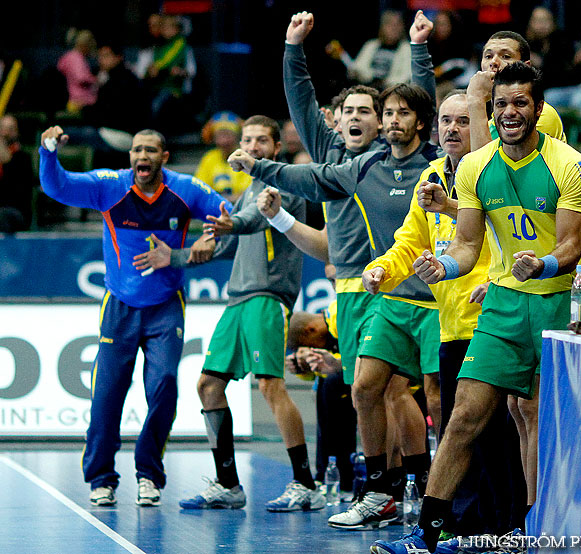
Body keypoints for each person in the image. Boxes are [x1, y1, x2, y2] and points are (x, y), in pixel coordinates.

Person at [371, 62, 581, 554]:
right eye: (501, 105)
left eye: (520, 103)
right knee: (463, 418)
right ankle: (428, 533)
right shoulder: (475, 167)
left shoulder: (572, 166)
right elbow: (469, 245)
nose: (510, 112)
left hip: (560, 308)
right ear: (491, 114)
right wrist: (444, 268)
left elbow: (572, 247)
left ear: (538, 109)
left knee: (539, 420)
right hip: (503, 308)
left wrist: (539, 265)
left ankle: (536, 526)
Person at [224, 80, 442, 531]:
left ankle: (429, 487)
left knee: (424, 398)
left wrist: (420, 47)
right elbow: (313, 189)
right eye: (388, 112)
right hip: (385, 294)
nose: (390, 119)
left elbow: (426, 98)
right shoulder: (364, 166)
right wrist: (262, 172)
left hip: (438, 299)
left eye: (397, 113)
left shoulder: (439, 165)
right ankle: (383, 489)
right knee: (366, 387)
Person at [38, 125, 232, 507]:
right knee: (107, 395)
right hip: (119, 307)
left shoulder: (185, 190)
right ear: (131, 158)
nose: (142, 156)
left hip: (165, 307)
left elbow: (230, 217)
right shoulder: (110, 186)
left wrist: (207, 239)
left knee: (163, 388)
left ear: (164, 157)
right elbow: (56, 187)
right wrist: (48, 153)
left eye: (150, 151)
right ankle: (101, 479)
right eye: (136, 150)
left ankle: (148, 474)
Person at [135, 115, 313, 512]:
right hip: (238, 300)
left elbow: (252, 222)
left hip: (267, 297)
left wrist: (231, 223)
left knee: (270, 386)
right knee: (208, 385)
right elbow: (229, 244)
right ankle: (228, 484)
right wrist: (176, 257)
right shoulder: (248, 189)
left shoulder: (284, 183)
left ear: (275, 147)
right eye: (247, 140)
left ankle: (305, 484)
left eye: (261, 141)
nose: (252, 147)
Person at [287, 297, 357, 499]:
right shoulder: (325, 331)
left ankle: (341, 475)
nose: (314, 349)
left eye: (308, 346)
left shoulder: (340, 317)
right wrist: (303, 369)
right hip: (349, 376)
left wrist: (332, 364)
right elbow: (327, 367)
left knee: (333, 383)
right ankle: (326, 472)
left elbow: (359, 356)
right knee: (328, 384)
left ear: (311, 330)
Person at [327, 9, 412, 90]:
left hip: (391, 91)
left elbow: (406, 76)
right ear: (382, 26)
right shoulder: (371, 45)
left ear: (402, 27)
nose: (394, 28)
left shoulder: (406, 48)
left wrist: (384, 83)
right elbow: (357, 68)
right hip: (367, 87)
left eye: (397, 24)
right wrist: (342, 55)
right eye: (389, 24)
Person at [195, 111, 251, 202]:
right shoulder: (209, 157)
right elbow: (200, 187)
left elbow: (249, 192)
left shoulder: (247, 157)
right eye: (219, 135)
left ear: (237, 136)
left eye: (228, 135)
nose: (224, 141)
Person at [0, 114, 35, 232]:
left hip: (15, 212)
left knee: (3, 216)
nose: (5, 133)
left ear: (16, 133)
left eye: (10, 129)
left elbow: (19, 193)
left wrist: (6, 164)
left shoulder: (23, 159)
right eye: (2, 128)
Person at [56, 29, 98, 114]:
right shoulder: (76, 57)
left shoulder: (71, 56)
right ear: (84, 45)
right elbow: (81, 78)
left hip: (75, 101)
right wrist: (96, 80)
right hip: (78, 102)